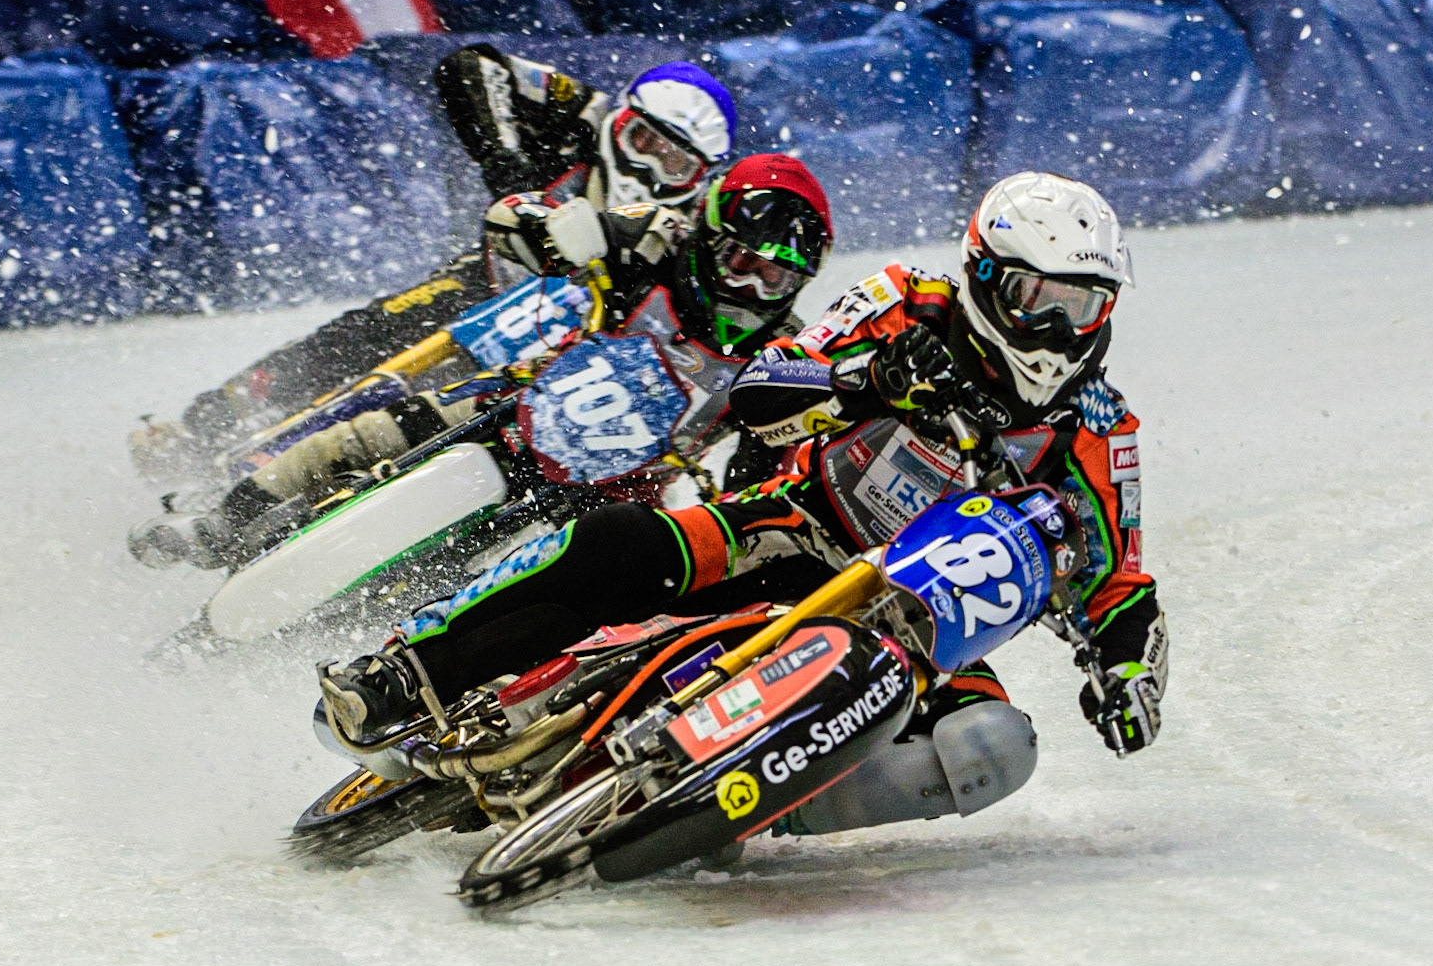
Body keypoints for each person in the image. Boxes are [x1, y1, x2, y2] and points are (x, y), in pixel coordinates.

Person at [316, 171, 1169, 838]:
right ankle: (402, 673)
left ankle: (756, 815)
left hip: (919, 622)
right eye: (1038, 302)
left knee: (991, 747)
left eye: (1083, 305)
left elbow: (1116, 575)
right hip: (789, 530)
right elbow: (764, 382)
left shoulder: (1098, 427)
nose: (1060, 331)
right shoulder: (908, 302)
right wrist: (867, 379)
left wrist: (1129, 672)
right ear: (985, 276)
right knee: (615, 541)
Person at [129, 153, 834, 571]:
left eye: (773, 277)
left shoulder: (779, 356)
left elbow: (774, 457)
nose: (749, 286)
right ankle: (219, 523)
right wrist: (547, 232)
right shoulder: (654, 238)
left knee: (524, 574)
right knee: (368, 434)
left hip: (619, 486)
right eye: (742, 260)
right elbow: (516, 218)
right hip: (526, 399)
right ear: (710, 233)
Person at [133, 49, 737, 471]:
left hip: (590, 333)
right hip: (498, 275)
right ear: (620, 124)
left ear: (701, 177)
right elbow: (471, 66)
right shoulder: (586, 114)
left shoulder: (703, 224)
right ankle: (207, 423)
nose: (651, 168)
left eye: (676, 163)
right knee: (368, 331)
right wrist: (506, 165)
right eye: (644, 143)